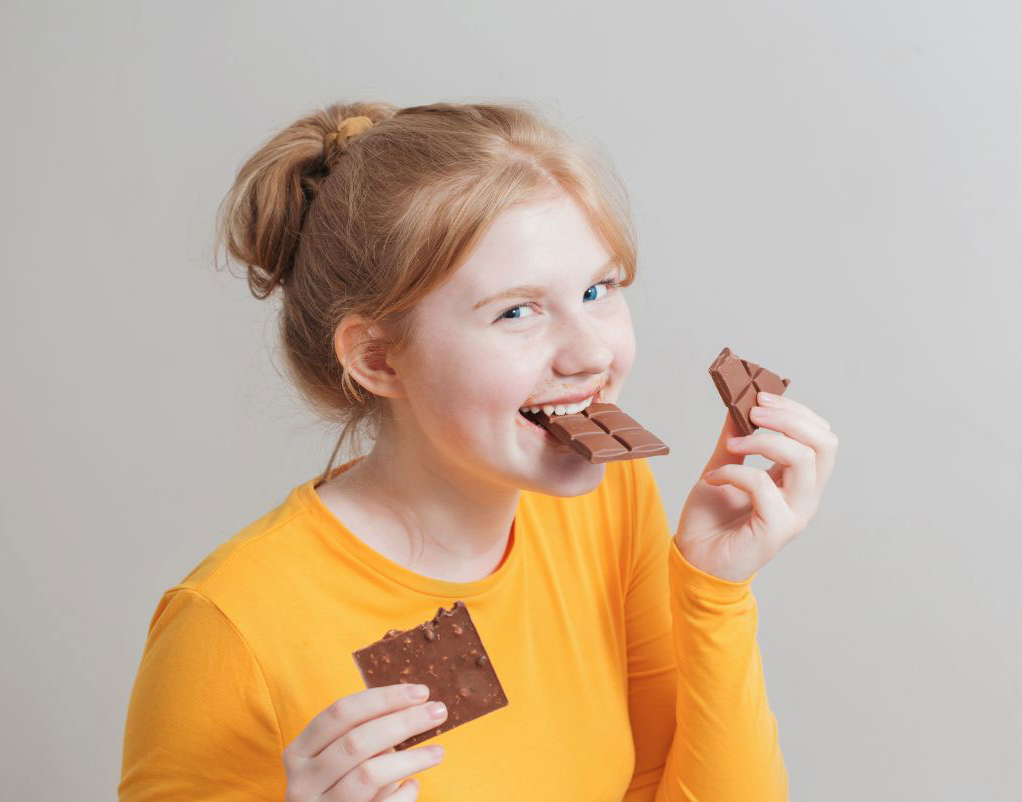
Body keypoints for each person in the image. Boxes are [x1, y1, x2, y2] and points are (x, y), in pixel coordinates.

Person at [118, 100, 838, 801]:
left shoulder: (605, 503)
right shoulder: (230, 628)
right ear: (379, 359)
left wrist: (714, 591)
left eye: (598, 288)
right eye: (516, 312)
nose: (591, 354)